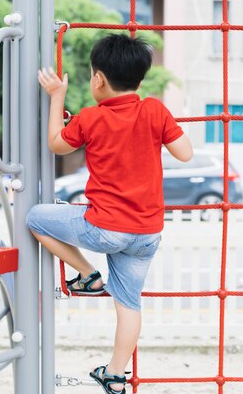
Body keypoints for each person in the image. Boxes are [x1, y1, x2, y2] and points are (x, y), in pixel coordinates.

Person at [26, 34, 193, 394]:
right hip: (147, 234)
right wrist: (160, 130)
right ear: (140, 78)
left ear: (98, 79)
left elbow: (55, 143)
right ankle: (115, 374)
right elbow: (185, 153)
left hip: (104, 229)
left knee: (35, 218)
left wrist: (57, 98)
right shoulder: (155, 110)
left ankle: (87, 274)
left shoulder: (91, 118)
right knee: (130, 305)